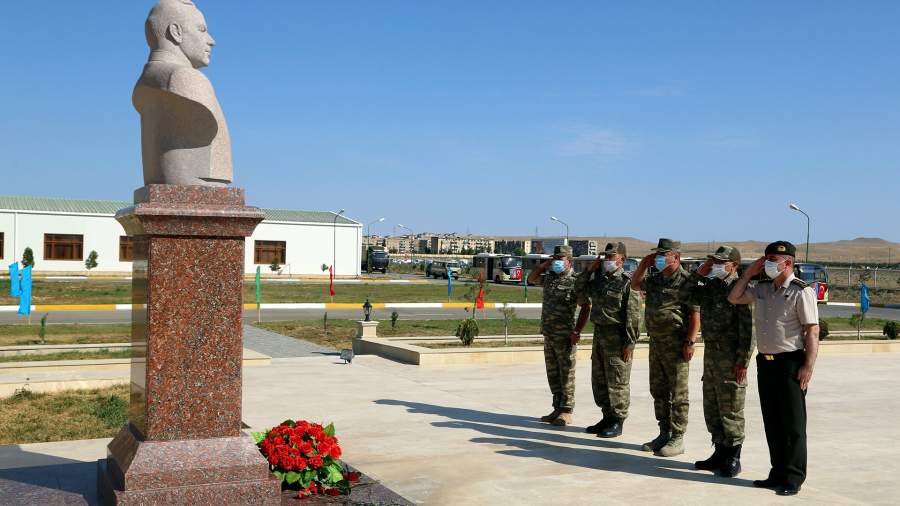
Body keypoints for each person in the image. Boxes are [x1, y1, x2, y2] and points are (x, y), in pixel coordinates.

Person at [728, 241, 820, 496]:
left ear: (787, 262)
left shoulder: (802, 292)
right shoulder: (764, 288)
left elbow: (812, 330)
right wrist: (748, 273)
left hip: (790, 362)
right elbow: (734, 297)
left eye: (771, 259)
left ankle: (793, 477)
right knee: (773, 421)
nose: (766, 263)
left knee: (792, 423)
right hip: (765, 363)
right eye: (766, 258)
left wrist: (808, 367)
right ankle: (777, 472)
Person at [685, 246, 754, 477]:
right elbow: (683, 294)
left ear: (733, 265)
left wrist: (742, 361)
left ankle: (734, 456)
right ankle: (719, 451)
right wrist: (699, 273)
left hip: (731, 357)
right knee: (712, 406)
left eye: (720, 262)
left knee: (731, 407)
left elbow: (748, 330)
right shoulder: (711, 286)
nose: (715, 265)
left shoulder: (740, 290)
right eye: (713, 261)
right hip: (712, 356)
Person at [630, 238, 699, 457]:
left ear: (676, 257)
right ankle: (664, 432)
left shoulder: (687, 281)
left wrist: (690, 342)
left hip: (677, 343)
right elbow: (634, 284)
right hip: (657, 342)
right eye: (657, 255)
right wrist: (644, 263)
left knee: (678, 392)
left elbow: (695, 314)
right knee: (659, 390)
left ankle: (678, 438)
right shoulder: (656, 279)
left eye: (663, 255)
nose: (659, 258)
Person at [575, 242, 641, 438]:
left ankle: (617, 421)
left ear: (622, 259)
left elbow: (633, 316)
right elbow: (579, 288)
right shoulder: (599, 280)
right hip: (599, 335)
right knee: (600, 379)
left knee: (617, 381)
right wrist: (589, 271)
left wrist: (630, 343)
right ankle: (606, 416)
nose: (607, 261)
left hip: (617, 337)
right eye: (606, 257)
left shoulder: (628, 282)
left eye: (612, 257)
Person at [529, 245, 591, 427]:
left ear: (569, 261)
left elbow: (586, 307)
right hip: (549, 333)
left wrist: (577, 331)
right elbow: (531, 279)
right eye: (554, 258)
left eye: (560, 259)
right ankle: (557, 407)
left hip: (565, 336)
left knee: (567, 374)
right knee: (553, 374)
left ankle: (566, 411)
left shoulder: (575, 281)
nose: (556, 262)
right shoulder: (550, 278)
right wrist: (543, 265)